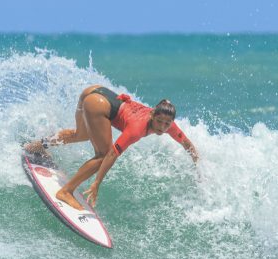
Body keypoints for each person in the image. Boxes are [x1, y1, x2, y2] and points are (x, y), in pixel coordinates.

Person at [25, 84, 199, 210]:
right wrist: (97, 183)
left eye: (166, 124)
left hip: (94, 91)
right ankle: (66, 191)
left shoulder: (169, 124)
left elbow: (186, 143)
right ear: (152, 115)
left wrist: (197, 163)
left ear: (171, 123)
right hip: (98, 104)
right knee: (101, 155)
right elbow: (111, 155)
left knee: (81, 135)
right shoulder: (137, 129)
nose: (161, 127)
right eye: (159, 122)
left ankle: (36, 146)